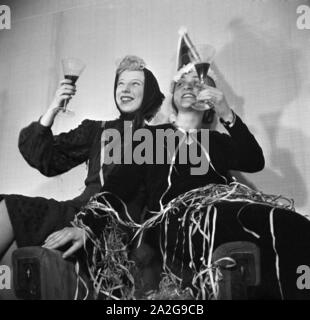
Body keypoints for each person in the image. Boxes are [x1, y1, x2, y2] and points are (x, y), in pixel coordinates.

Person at [0, 55, 165, 262]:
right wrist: (52, 110)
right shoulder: (96, 130)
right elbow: (46, 159)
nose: (125, 89)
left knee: (12, 210)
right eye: (121, 83)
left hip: (119, 224)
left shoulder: (160, 138)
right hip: (78, 210)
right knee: (16, 232)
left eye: (135, 84)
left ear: (148, 92)